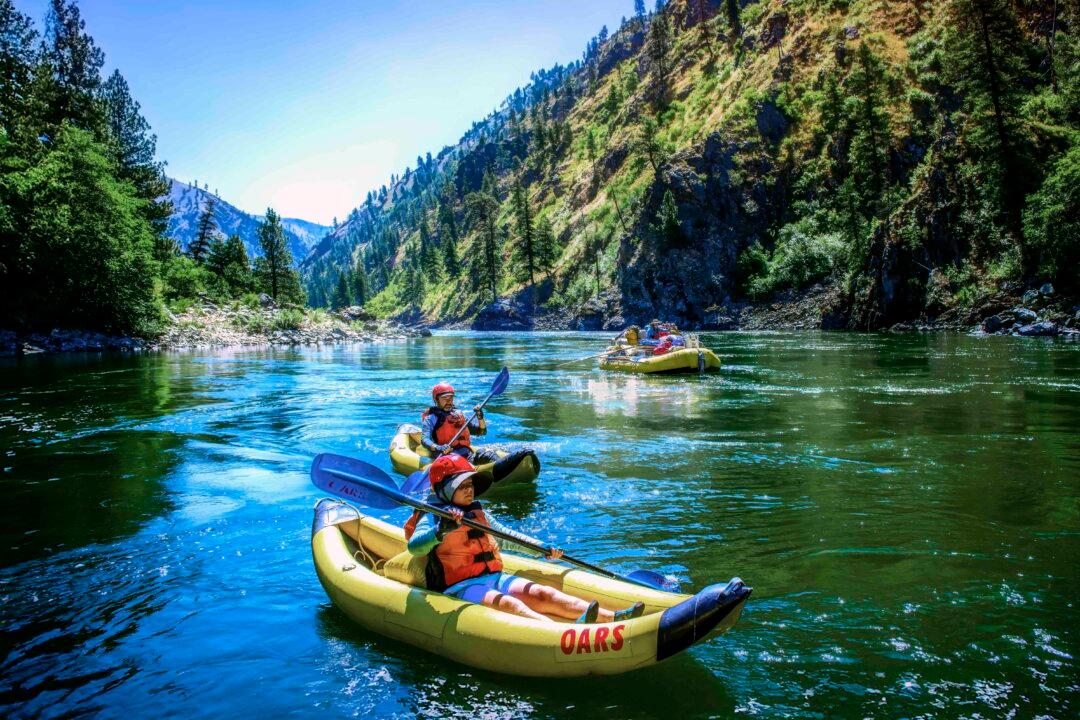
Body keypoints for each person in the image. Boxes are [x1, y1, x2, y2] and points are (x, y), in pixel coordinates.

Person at [405, 455, 645, 623]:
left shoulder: (477, 511)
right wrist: (440, 530)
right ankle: (560, 632)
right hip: (462, 587)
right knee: (510, 604)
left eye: (471, 484)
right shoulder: (433, 515)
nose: (470, 489)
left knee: (544, 594)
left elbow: (507, 537)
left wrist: (541, 548)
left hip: (494, 577)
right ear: (445, 489)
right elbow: (415, 548)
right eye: (461, 485)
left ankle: (612, 617)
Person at [421, 382, 538, 482]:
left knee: (487, 454)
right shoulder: (431, 418)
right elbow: (424, 439)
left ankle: (506, 470)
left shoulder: (457, 415)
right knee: (463, 464)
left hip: (467, 454)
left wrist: (480, 417)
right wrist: (439, 447)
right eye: (444, 398)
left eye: (450, 398)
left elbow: (481, 431)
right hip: (448, 457)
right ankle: (479, 475)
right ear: (436, 400)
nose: (448, 401)